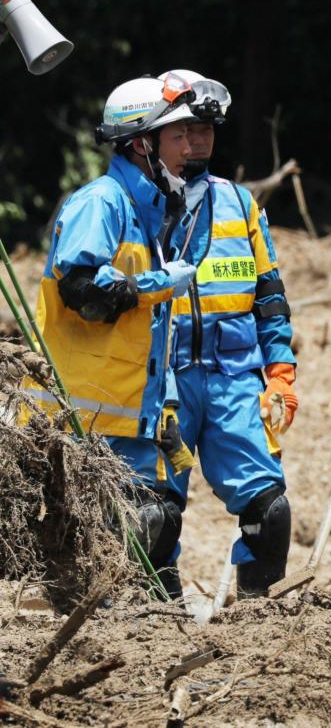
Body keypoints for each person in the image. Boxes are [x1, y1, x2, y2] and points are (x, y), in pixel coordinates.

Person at [22, 74, 199, 597]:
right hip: (83, 421)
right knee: (122, 534)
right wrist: (155, 284)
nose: (189, 148)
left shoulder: (148, 212)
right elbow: (82, 291)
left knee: (160, 523)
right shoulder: (101, 203)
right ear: (142, 143)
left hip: (128, 419)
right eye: (177, 137)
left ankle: (144, 633)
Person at [158, 69, 297, 599]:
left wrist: (280, 371)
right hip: (162, 380)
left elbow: (270, 296)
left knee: (270, 509)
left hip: (234, 380)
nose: (198, 142)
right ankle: (154, 621)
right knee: (153, 512)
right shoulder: (137, 204)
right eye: (186, 130)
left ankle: (256, 623)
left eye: (207, 131)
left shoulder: (240, 204)